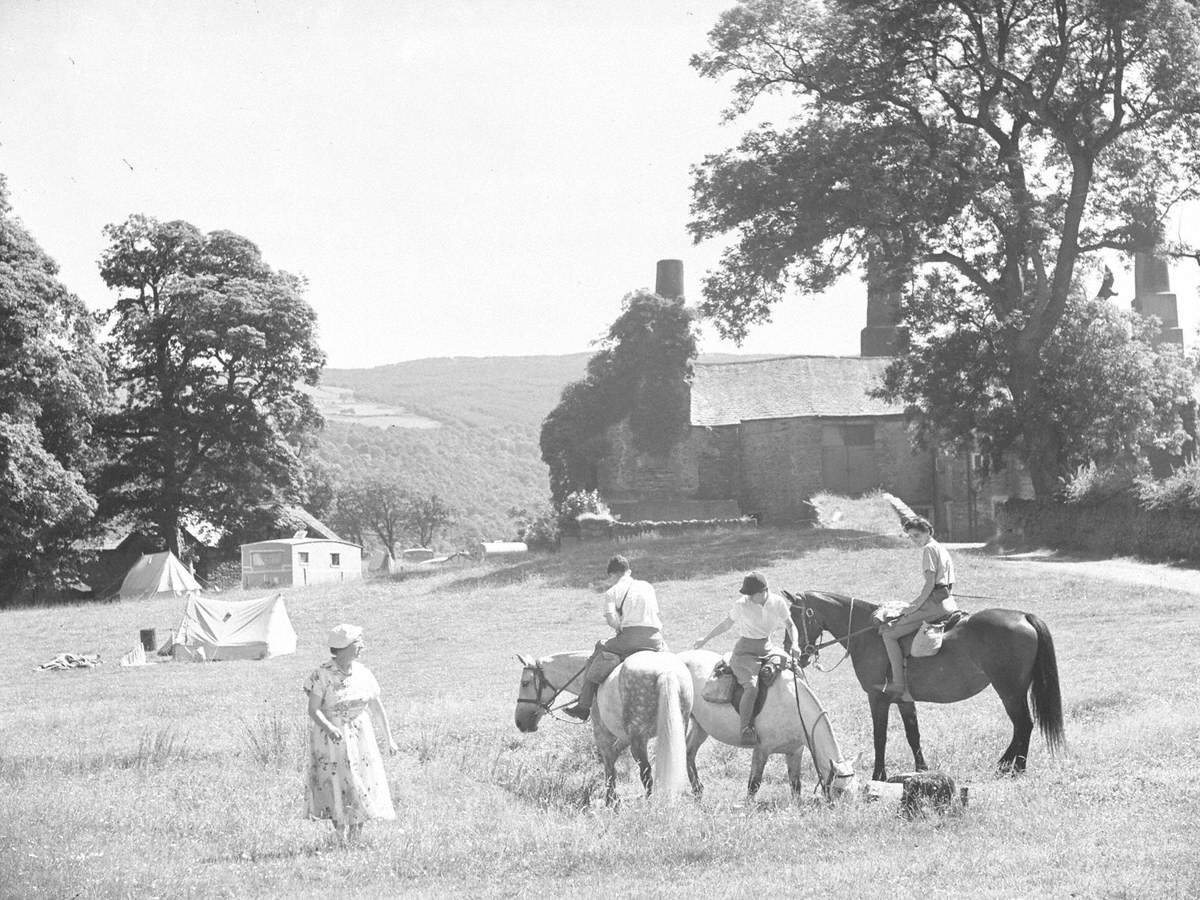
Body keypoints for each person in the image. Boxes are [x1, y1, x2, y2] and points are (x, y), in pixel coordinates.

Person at [304, 623, 398, 843]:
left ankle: (356, 835)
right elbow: (313, 709)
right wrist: (329, 727)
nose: (362, 646)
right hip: (332, 738)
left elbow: (376, 706)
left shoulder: (363, 673)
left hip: (361, 735)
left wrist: (389, 739)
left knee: (361, 781)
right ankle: (339, 834)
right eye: (358, 642)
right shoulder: (321, 675)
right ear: (345, 646)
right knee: (339, 781)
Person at [694, 571, 799, 746]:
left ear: (763, 592)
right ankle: (746, 729)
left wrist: (795, 643)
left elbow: (789, 624)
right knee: (751, 687)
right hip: (745, 652)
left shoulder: (778, 603)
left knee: (793, 668)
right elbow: (727, 624)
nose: (748, 597)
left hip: (768, 648)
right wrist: (705, 639)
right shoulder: (741, 605)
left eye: (751, 594)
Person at [562, 555, 665, 721]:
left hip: (630, 638)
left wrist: (618, 627)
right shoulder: (647, 586)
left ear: (612, 575)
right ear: (628, 571)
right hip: (656, 639)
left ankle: (583, 705)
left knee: (600, 646)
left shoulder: (612, 592)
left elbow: (611, 618)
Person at [878, 515, 959, 701]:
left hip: (934, 605)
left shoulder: (929, 549)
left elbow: (930, 584)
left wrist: (913, 607)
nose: (914, 540)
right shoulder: (941, 548)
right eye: (910, 537)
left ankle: (898, 685)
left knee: (888, 634)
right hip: (947, 602)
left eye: (916, 536)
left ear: (927, 532)